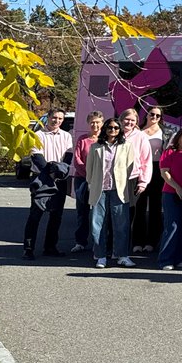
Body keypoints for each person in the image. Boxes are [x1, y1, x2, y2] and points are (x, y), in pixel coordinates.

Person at [86, 118, 136, 269]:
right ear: (105, 129)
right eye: (109, 127)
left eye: (115, 128)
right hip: (99, 189)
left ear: (120, 130)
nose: (112, 130)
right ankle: (101, 256)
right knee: (98, 224)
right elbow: (90, 169)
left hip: (119, 190)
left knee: (121, 224)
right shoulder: (96, 147)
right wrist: (91, 184)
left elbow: (130, 168)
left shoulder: (126, 146)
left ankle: (122, 255)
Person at [23, 109, 73, 259]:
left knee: (56, 216)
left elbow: (68, 157)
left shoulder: (67, 136)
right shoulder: (37, 135)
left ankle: (50, 247)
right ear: (48, 118)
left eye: (60, 118)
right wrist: (50, 172)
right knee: (35, 215)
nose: (56, 121)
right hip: (41, 178)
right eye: (54, 117)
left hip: (59, 180)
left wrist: (58, 172)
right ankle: (28, 248)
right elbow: (37, 157)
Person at [157, 128, 182, 270]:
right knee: (172, 226)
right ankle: (165, 260)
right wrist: (178, 188)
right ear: (178, 138)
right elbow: (164, 173)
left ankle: (179, 258)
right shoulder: (169, 152)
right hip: (171, 193)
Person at [132, 107, 167, 254]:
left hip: (157, 170)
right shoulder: (137, 131)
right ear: (146, 115)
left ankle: (152, 241)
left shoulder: (165, 133)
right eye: (152, 114)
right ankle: (137, 242)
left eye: (158, 115)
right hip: (140, 169)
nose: (154, 117)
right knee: (138, 207)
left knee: (155, 207)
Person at [119, 108, 154, 257]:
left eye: (132, 120)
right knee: (118, 213)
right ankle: (118, 244)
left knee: (136, 212)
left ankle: (137, 243)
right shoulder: (115, 133)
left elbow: (146, 160)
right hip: (116, 180)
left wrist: (143, 182)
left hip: (134, 179)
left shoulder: (140, 136)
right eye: (127, 119)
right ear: (121, 120)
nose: (129, 122)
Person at [69, 111, 103, 253]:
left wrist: (96, 177)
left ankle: (99, 242)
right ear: (88, 123)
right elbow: (77, 160)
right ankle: (80, 242)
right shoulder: (82, 139)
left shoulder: (104, 140)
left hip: (100, 180)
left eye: (98, 122)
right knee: (82, 212)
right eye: (92, 122)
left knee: (98, 212)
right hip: (82, 179)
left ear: (102, 123)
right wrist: (88, 175)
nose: (95, 125)